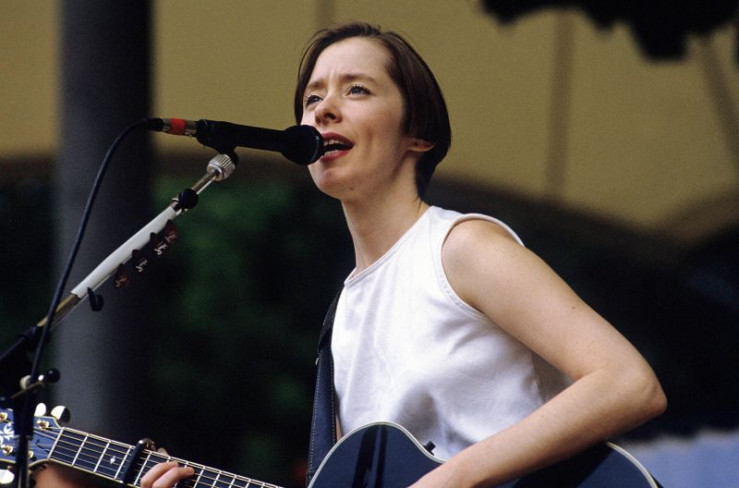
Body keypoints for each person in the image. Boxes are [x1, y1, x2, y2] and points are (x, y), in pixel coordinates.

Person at [41, 21, 667, 488]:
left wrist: (450, 479)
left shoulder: (461, 248)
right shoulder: (342, 319)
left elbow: (627, 383)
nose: (324, 109)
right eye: (312, 98)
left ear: (417, 134)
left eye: (357, 89)